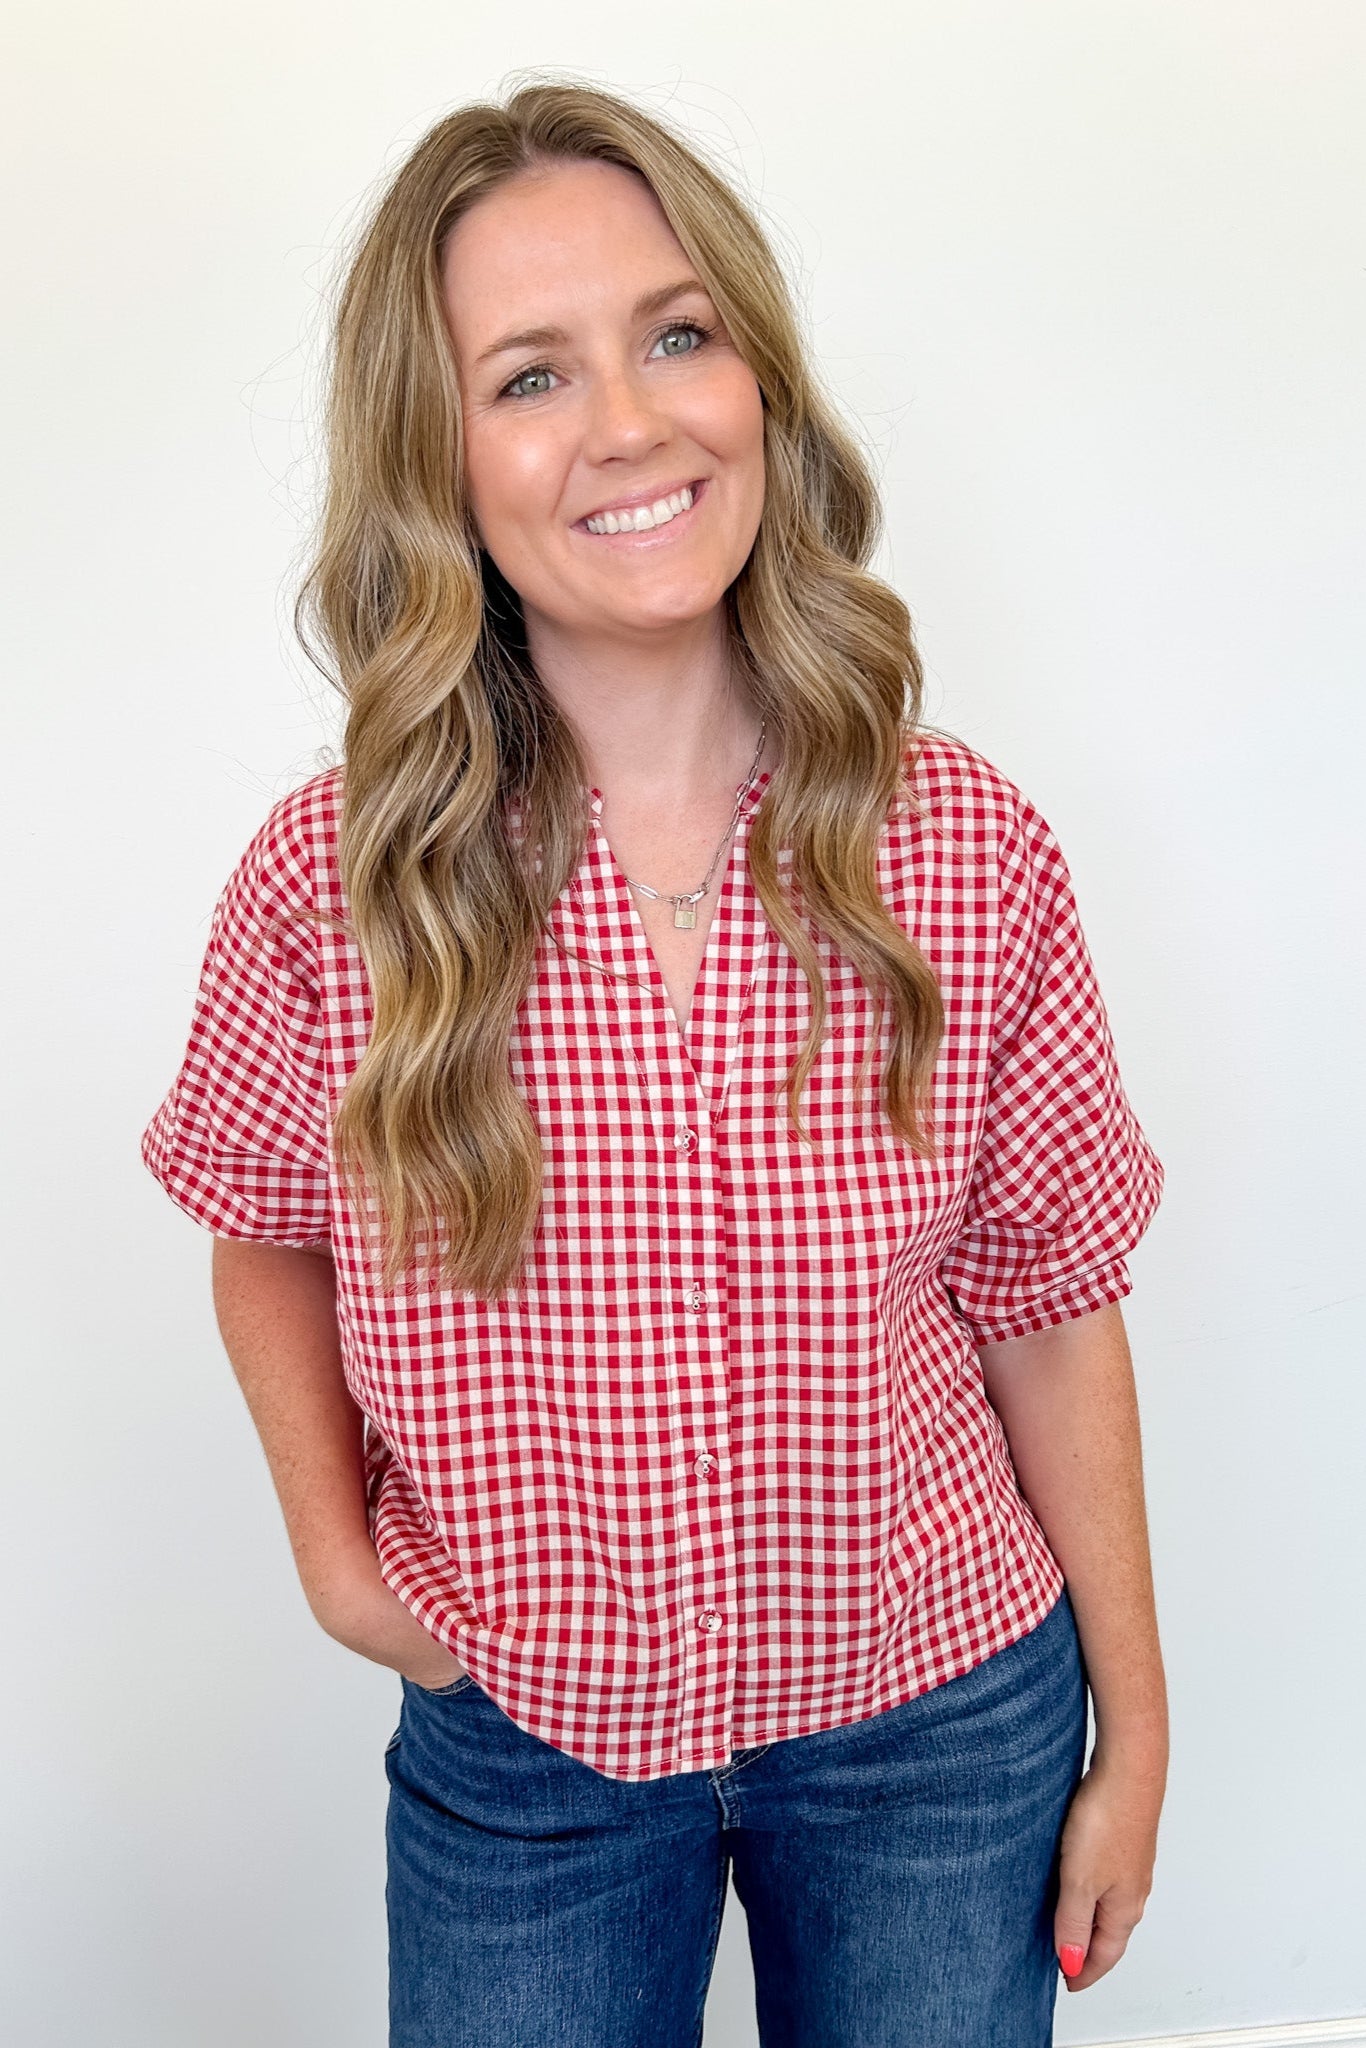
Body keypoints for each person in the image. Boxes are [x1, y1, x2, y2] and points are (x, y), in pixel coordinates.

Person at [140, 79, 1168, 2048]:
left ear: (756, 380)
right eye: (530, 374)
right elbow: (260, 1222)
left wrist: (1134, 1727)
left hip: (936, 1727)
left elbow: (1048, 1301)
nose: (627, 421)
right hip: (524, 1744)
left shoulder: (963, 850)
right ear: (438, 459)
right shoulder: (332, 884)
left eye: (675, 334)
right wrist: (340, 1569)